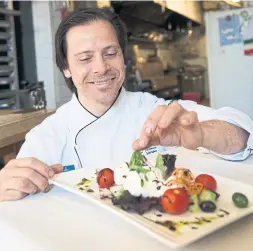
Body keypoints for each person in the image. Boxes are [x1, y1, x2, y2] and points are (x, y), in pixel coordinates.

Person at [0, 8, 252, 202]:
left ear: (123, 56)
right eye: (85, 58)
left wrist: (204, 134)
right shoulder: (47, 136)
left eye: (110, 53)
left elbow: (243, 137)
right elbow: (17, 208)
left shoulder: (155, 111)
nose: (101, 67)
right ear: (66, 68)